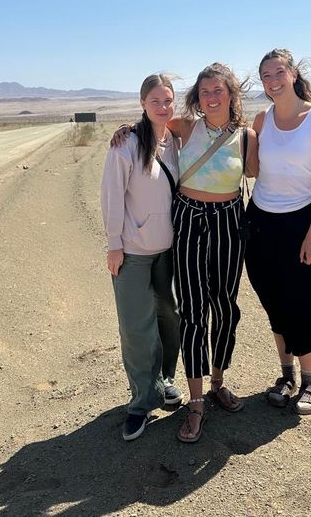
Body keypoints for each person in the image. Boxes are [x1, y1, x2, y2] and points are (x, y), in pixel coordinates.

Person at [111, 62, 258, 443]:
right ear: (197, 97)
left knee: (225, 306)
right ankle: (194, 402)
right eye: (204, 91)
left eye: (218, 91)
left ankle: (217, 382)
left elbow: (262, 174)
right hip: (189, 221)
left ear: (231, 94)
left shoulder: (246, 137)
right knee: (192, 311)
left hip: (228, 221)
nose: (211, 97)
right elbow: (152, 124)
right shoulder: (185, 127)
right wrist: (126, 128)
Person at [244, 48, 311, 416]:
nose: (272, 81)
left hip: (302, 222)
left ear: (294, 74)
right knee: (275, 302)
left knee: (306, 302)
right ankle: (285, 376)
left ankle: (310, 379)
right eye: (265, 76)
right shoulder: (261, 119)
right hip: (261, 223)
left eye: (278, 72)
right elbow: (251, 170)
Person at [100, 73, 183, 441]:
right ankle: (140, 402)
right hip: (132, 254)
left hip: (168, 251)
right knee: (136, 329)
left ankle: (164, 380)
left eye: (168, 100)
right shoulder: (126, 145)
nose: (163, 107)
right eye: (155, 101)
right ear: (142, 104)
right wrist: (114, 244)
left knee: (169, 317)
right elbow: (111, 196)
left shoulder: (177, 142)